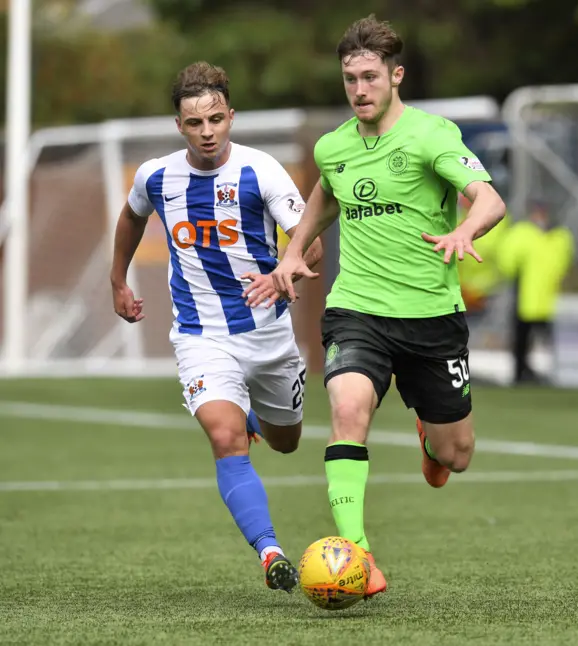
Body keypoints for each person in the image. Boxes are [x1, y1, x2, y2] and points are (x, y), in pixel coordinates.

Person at [270, 16, 506, 598]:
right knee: (348, 408)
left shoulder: (432, 136)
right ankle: (360, 555)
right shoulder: (335, 147)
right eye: (350, 78)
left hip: (432, 315)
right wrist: (293, 251)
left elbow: (490, 199)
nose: (359, 89)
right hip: (358, 308)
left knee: (459, 455)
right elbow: (326, 195)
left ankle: (430, 437)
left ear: (396, 76)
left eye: (370, 76)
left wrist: (465, 231)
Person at [110, 61, 322, 593]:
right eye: (195, 123)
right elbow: (132, 216)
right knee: (227, 438)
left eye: (216, 119)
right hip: (200, 335)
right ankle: (270, 551)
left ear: (231, 115)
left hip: (269, 335)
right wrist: (118, 280)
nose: (207, 132)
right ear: (179, 125)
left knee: (286, 442)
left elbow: (310, 243)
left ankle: (255, 410)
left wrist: (281, 271)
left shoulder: (262, 171)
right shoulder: (156, 176)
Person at [497, 200, 574, 384]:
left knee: (552, 340)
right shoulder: (522, 233)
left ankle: (555, 374)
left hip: (553, 296)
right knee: (522, 337)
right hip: (527, 294)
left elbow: (566, 263)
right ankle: (520, 373)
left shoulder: (560, 236)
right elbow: (507, 260)